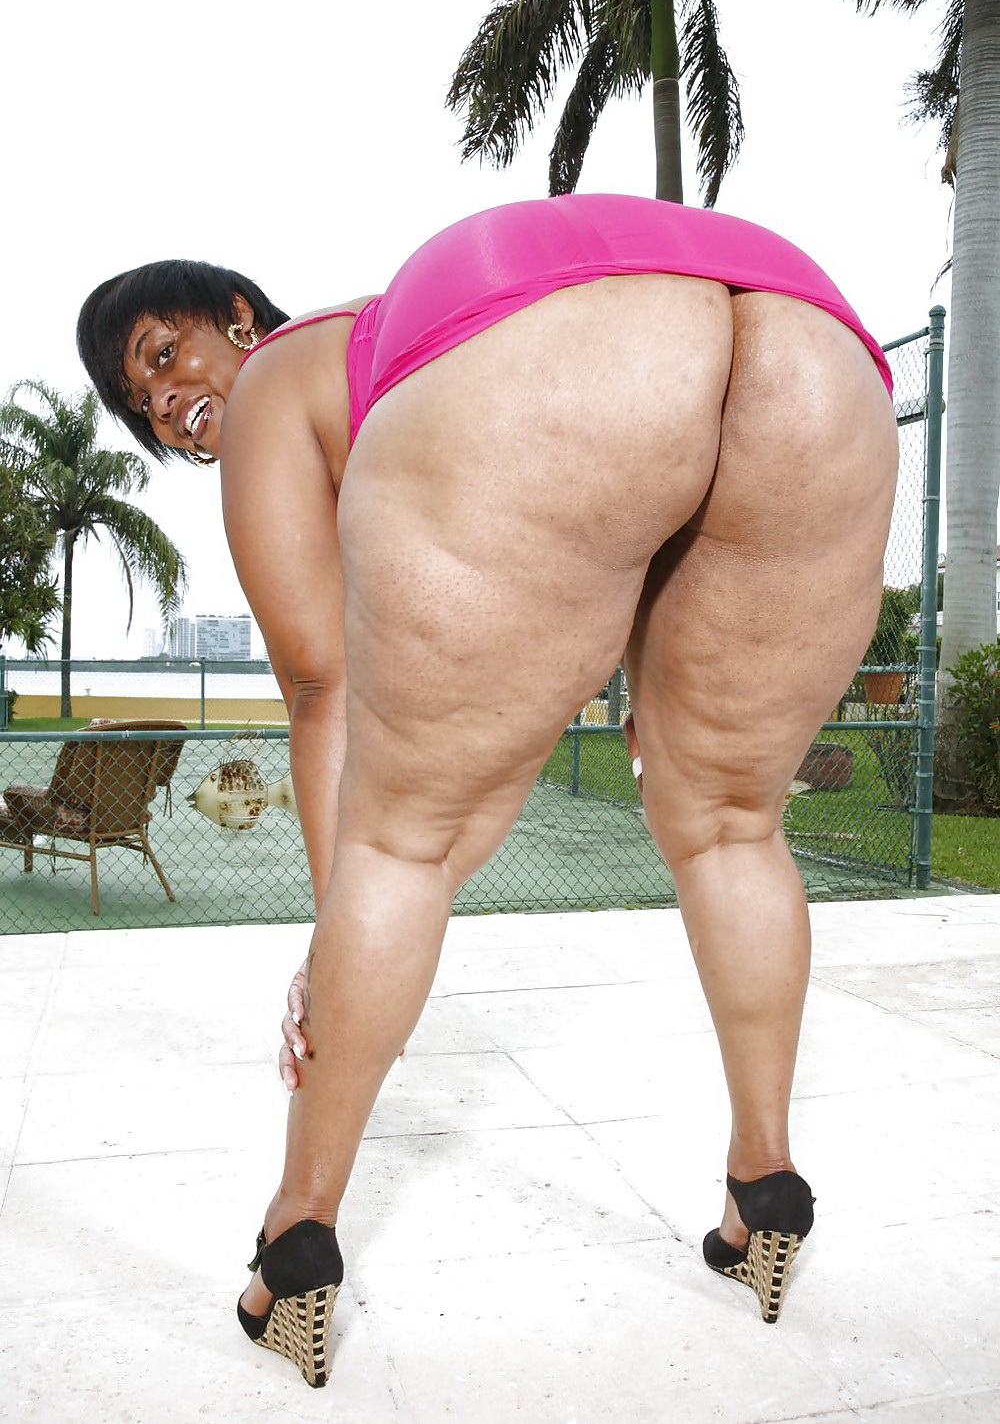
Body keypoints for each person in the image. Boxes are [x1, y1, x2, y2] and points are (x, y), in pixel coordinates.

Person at [78, 192, 898, 1388]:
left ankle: (296, 1234)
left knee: (401, 844)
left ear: (240, 316)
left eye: (162, 355)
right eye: (138, 403)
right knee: (730, 821)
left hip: (565, 331)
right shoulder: (386, 352)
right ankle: (761, 1184)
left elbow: (320, 685)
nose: (163, 402)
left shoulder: (282, 377)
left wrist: (336, 934)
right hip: (812, 338)